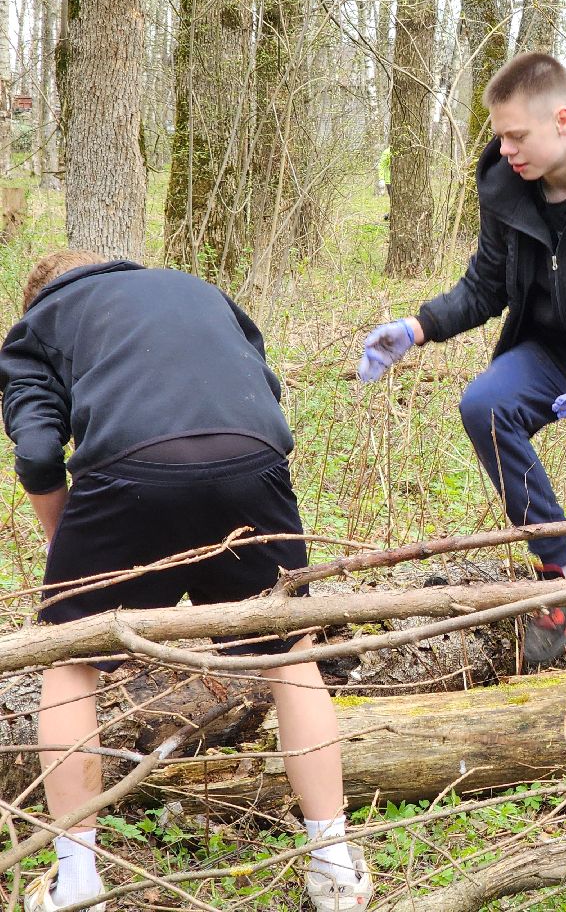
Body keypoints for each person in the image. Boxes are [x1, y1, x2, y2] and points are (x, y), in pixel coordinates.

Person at [0, 251, 368, 912]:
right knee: (291, 652)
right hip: (251, 459)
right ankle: (335, 867)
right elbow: (259, 382)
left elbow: (36, 452)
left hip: (129, 468)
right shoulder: (198, 290)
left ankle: (77, 883)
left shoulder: (39, 325)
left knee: (71, 662)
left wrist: (64, 548)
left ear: (39, 297)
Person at [357, 53, 566, 669]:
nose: (505, 149)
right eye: (500, 136)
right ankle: (562, 567)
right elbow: (487, 285)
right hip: (552, 352)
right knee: (485, 405)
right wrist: (417, 327)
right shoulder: (507, 184)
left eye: (516, 136)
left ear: (562, 121)